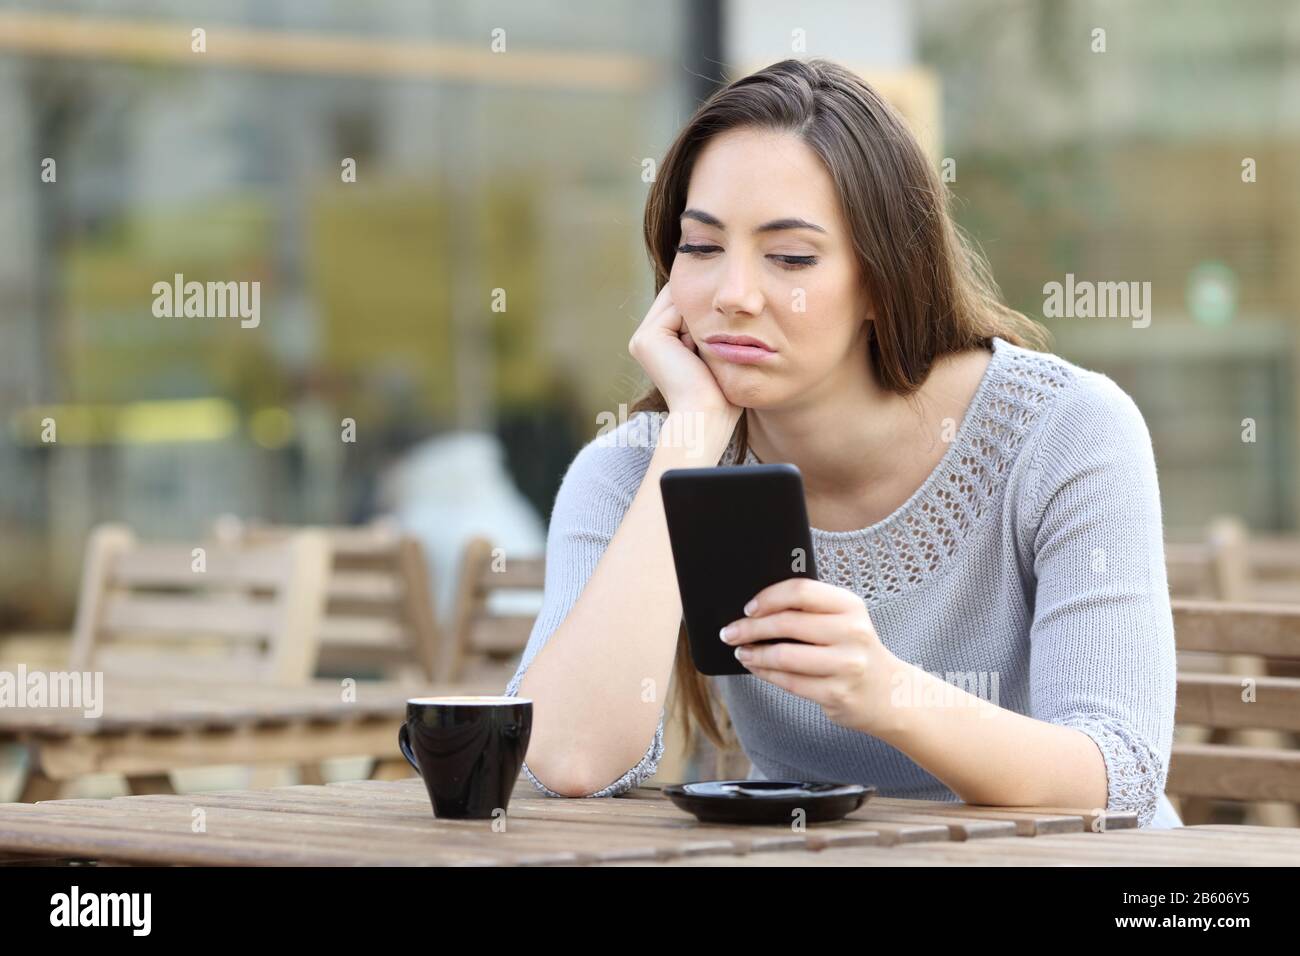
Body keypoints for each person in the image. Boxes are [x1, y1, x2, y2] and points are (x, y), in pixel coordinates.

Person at [506, 58, 1180, 828]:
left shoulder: (1066, 433)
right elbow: (569, 760)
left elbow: (1119, 773)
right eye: (701, 248)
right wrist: (690, 435)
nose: (734, 295)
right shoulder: (638, 466)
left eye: (790, 257)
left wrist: (885, 692)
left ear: (882, 277)